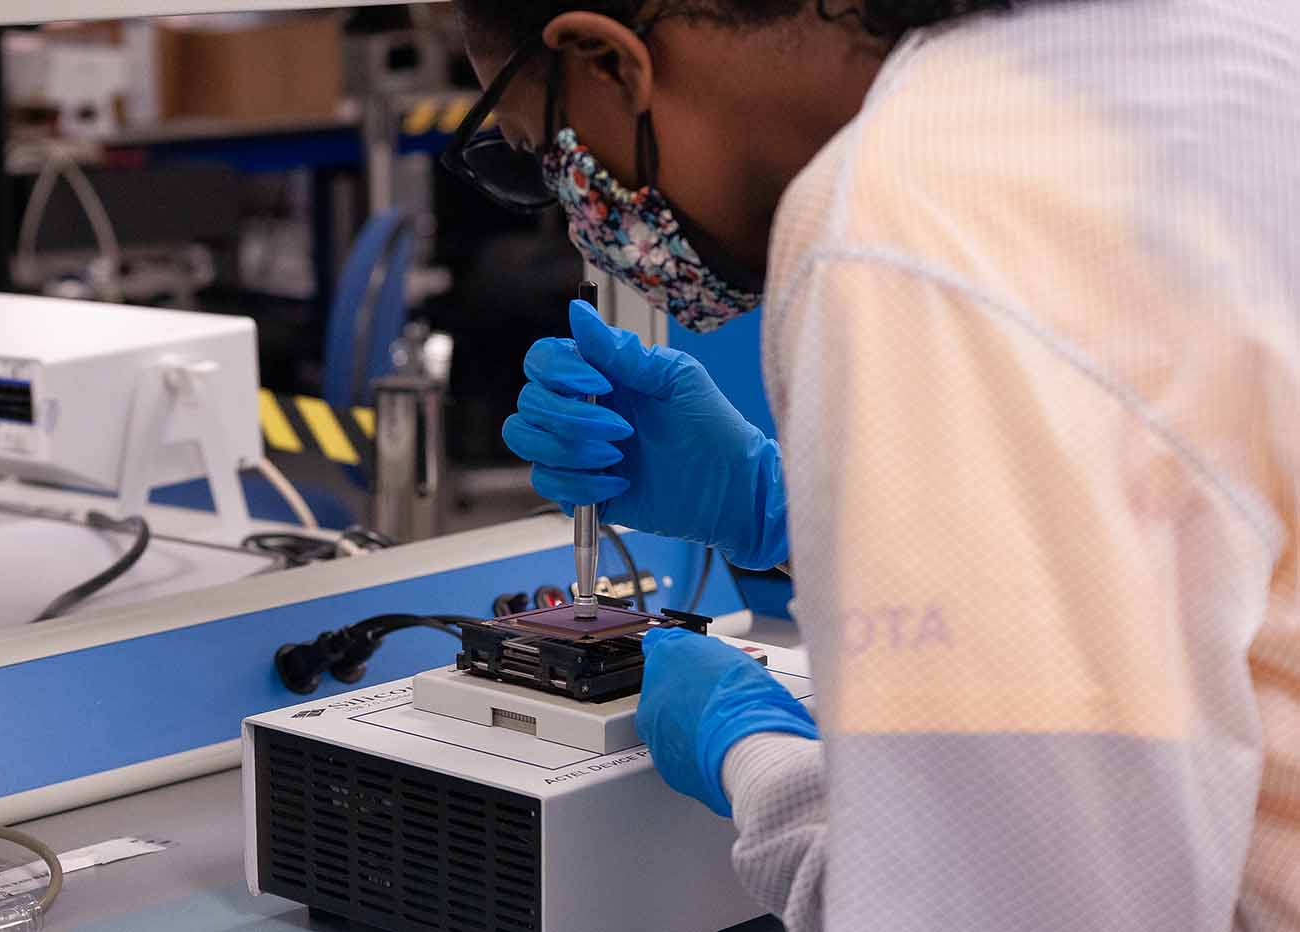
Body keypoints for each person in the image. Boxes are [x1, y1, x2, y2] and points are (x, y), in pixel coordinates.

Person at [444, 0, 1300, 928]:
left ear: (610, 62)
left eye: (552, 162)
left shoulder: (906, 219)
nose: (579, 225)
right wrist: (783, 510)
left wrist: (754, 755)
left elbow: (993, 912)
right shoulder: (1207, 40)